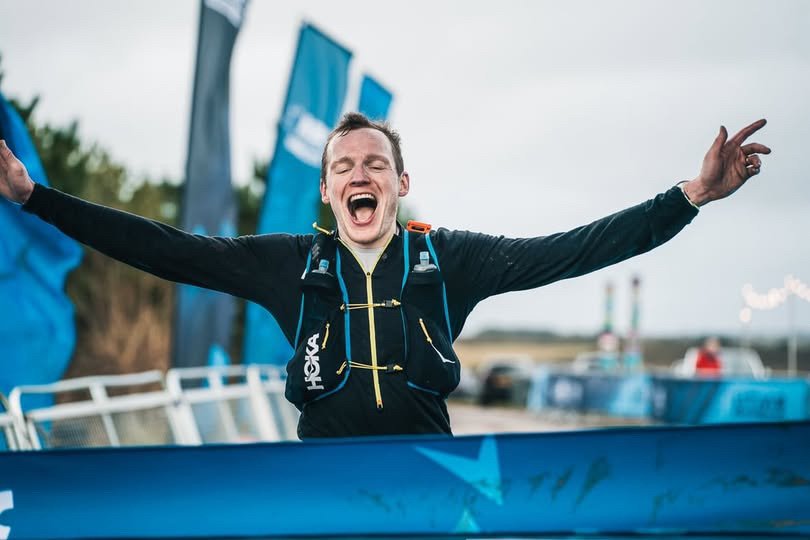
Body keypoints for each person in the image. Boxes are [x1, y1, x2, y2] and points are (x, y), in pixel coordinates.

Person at [0, 113, 770, 438]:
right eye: (344, 166)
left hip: (430, 484)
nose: (359, 173)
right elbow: (163, 247)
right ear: (330, 191)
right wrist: (37, 198)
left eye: (375, 163)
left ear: (400, 183)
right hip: (321, 494)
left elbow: (574, 248)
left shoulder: (451, 259)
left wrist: (691, 195)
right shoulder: (289, 264)